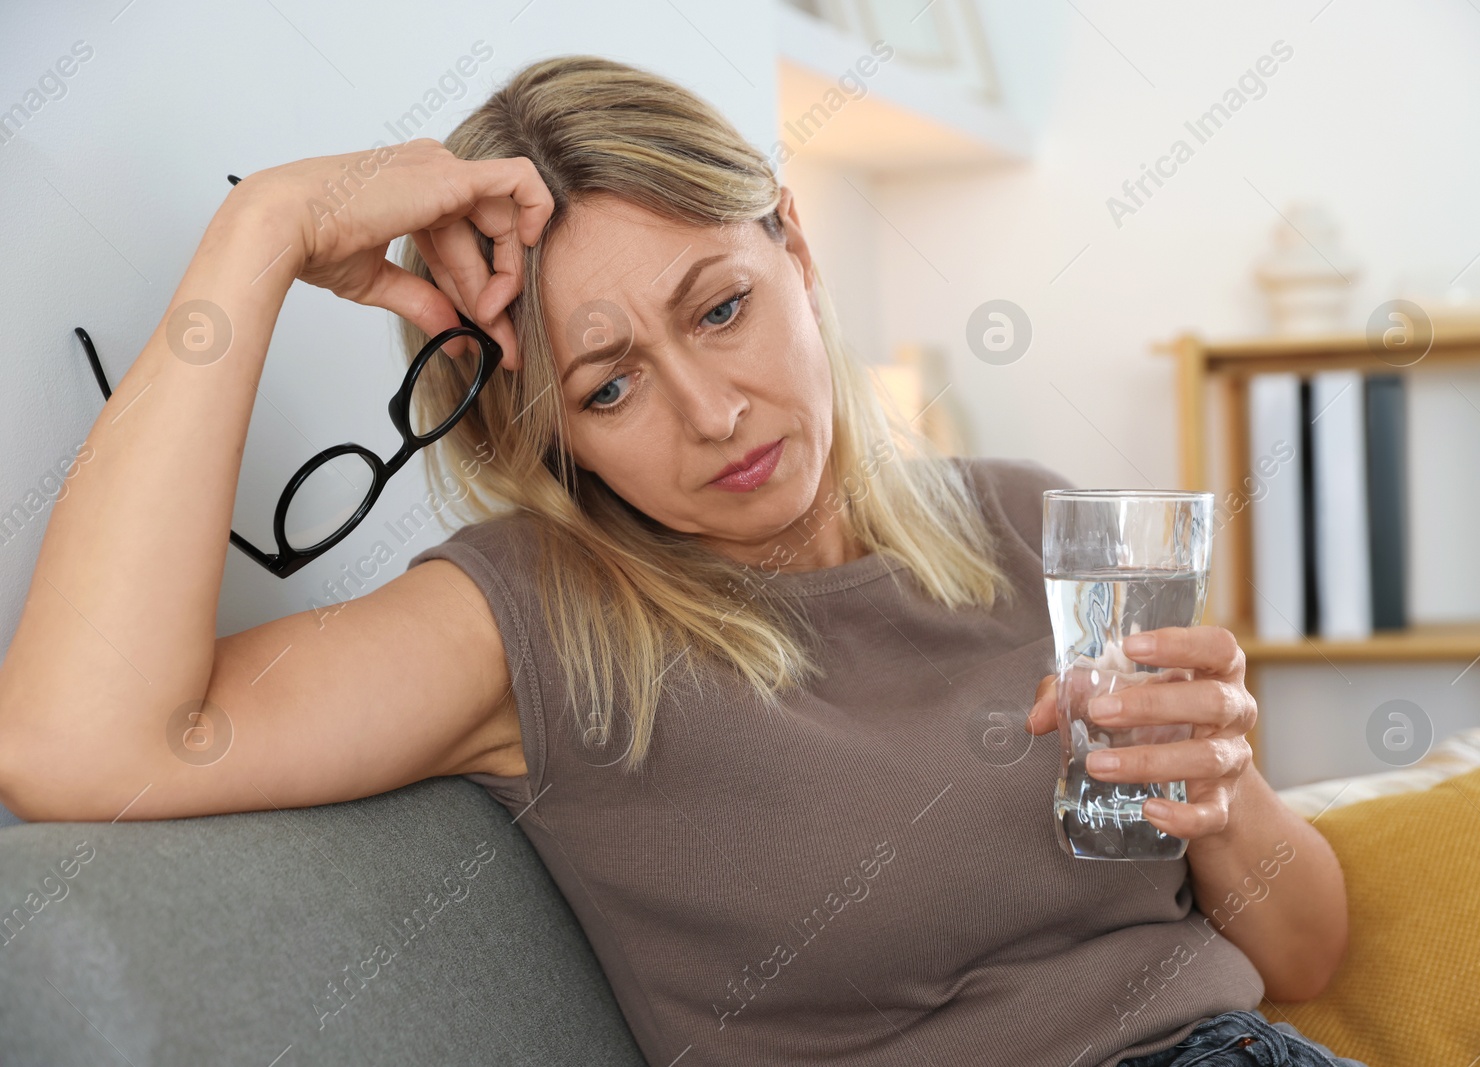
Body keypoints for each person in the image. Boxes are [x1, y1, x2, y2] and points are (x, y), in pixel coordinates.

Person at [0, 54, 1362, 1067]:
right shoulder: (541, 619)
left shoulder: (1025, 521)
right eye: (605, 388)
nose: (710, 413)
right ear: (553, 438)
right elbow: (78, 745)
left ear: (796, 248)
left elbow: (1300, 955)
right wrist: (266, 233)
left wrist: (1227, 791)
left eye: (720, 308)